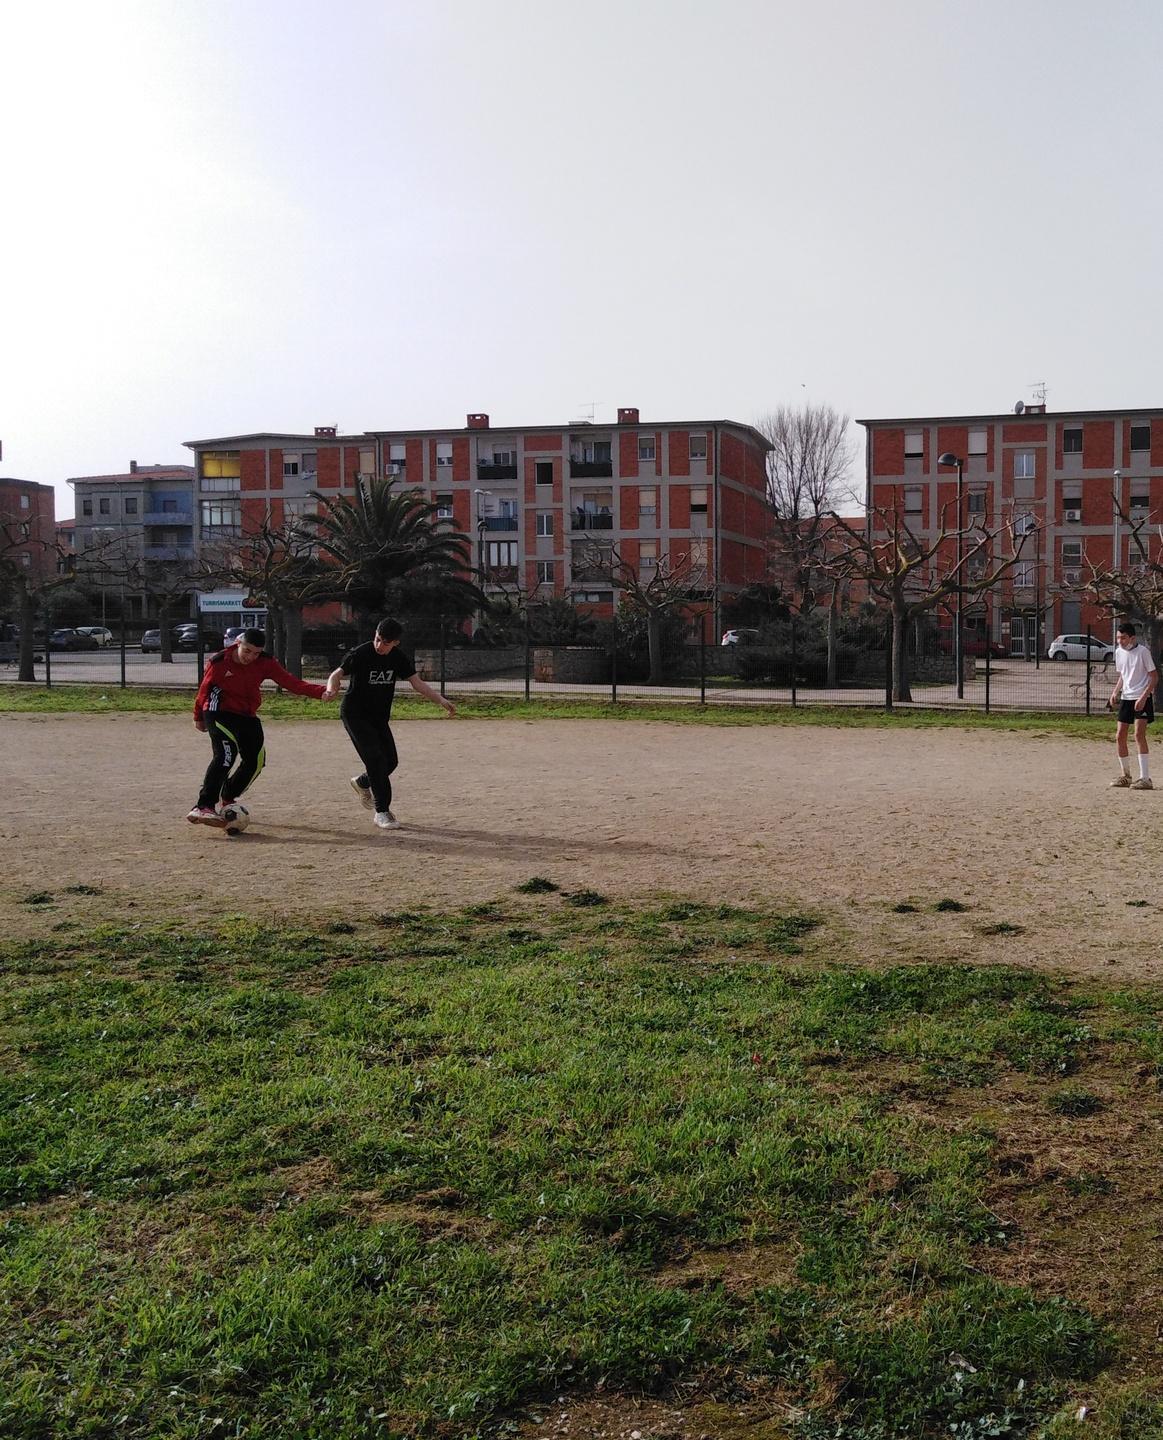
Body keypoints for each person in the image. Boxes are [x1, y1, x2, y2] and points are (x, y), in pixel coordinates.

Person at [187, 628, 333, 825]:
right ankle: (203, 806)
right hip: (217, 711)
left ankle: (229, 797)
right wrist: (198, 717)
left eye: (255, 653)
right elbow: (204, 690)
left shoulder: (266, 662)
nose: (250, 657)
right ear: (238, 644)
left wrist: (321, 692)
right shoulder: (219, 662)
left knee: (256, 761)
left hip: (246, 714)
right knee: (225, 755)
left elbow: (291, 683)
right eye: (247, 651)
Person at [324, 616, 456, 830]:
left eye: (385, 642)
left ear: (396, 642)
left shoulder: (398, 658)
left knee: (390, 762)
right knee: (376, 760)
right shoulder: (361, 653)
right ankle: (382, 812)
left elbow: (417, 684)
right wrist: (331, 689)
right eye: (377, 639)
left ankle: (362, 782)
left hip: (378, 718)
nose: (379, 645)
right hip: (355, 715)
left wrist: (441, 700)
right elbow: (336, 674)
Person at [1108, 620, 1158, 790]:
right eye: (1118, 638)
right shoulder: (1119, 653)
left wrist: (1144, 697)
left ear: (1132, 638)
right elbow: (1123, 675)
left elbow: (1154, 676)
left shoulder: (1143, 652)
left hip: (1141, 698)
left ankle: (1145, 778)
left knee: (1138, 735)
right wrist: (1115, 692)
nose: (1119, 641)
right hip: (1127, 697)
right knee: (1120, 735)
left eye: (1123, 638)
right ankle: (1125, 775)